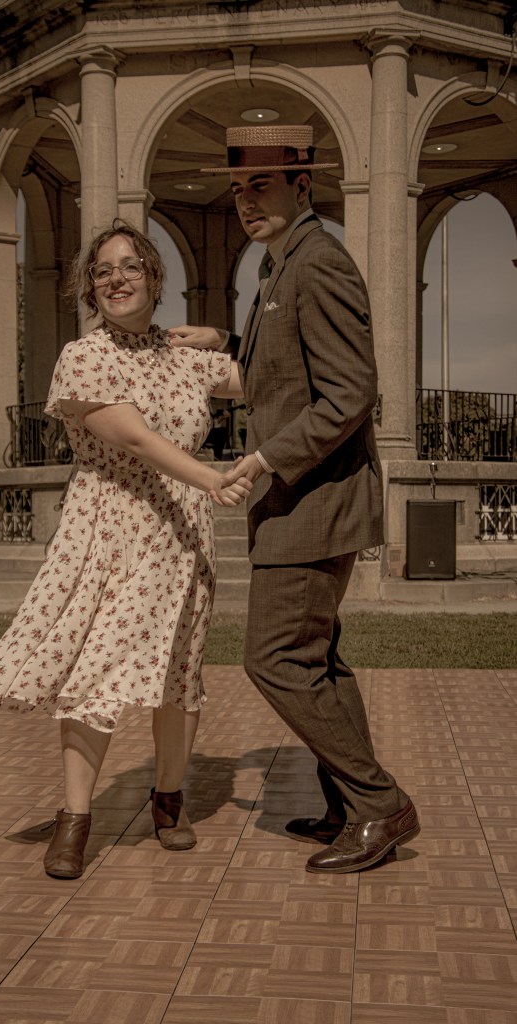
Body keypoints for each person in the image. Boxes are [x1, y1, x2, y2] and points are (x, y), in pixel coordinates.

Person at [170, 125, 419, 874]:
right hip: (300, 504)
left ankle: (380, 803)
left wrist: (264, 459)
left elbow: (351, 392)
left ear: (301, 185)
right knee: (318, 661)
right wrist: (224, 340)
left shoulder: (319, 262)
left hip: (314, 503)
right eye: (238, 189)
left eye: (263, 185)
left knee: (274, 657)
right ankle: (351, 804)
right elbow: (285, 368)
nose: (247, 202)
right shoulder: (281, 264)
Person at [0, 222, 249, 879]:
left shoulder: (185, 357)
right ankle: (75, 819)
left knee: (180, 672)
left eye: (130, 266)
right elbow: (135, 438)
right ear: (90, 288)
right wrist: (211, 478)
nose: (116, 278)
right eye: (102, 271)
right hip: (112, 530)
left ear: (154, 276)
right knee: (95, 671)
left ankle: (169, 801)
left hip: (183, 537)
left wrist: (225, 338)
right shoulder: (83, 355)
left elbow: (274, 375)